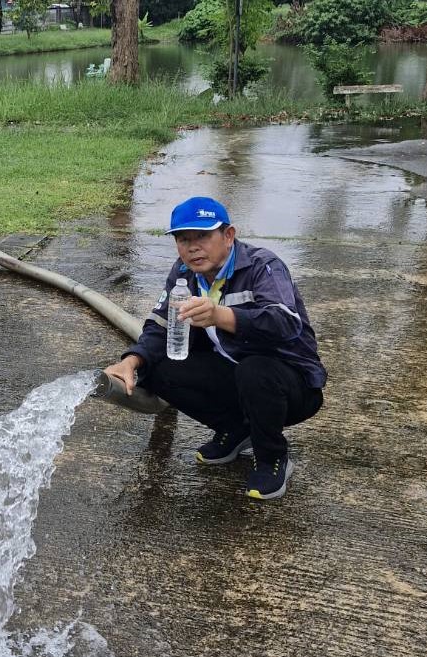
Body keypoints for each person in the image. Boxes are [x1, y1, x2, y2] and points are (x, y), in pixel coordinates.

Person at [103, 197, 326, 500]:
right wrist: (132, 360)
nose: (193, 247)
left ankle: (272, 457)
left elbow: (285, 323)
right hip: (235, 372)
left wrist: (222, 316)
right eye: (183, 239)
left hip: (290, 383)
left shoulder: (262, 266)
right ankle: (237, 431)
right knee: (156, 368)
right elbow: (159, 326)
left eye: (203, 236)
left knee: (255, 371)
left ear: (229, 235)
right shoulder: (184, 273)